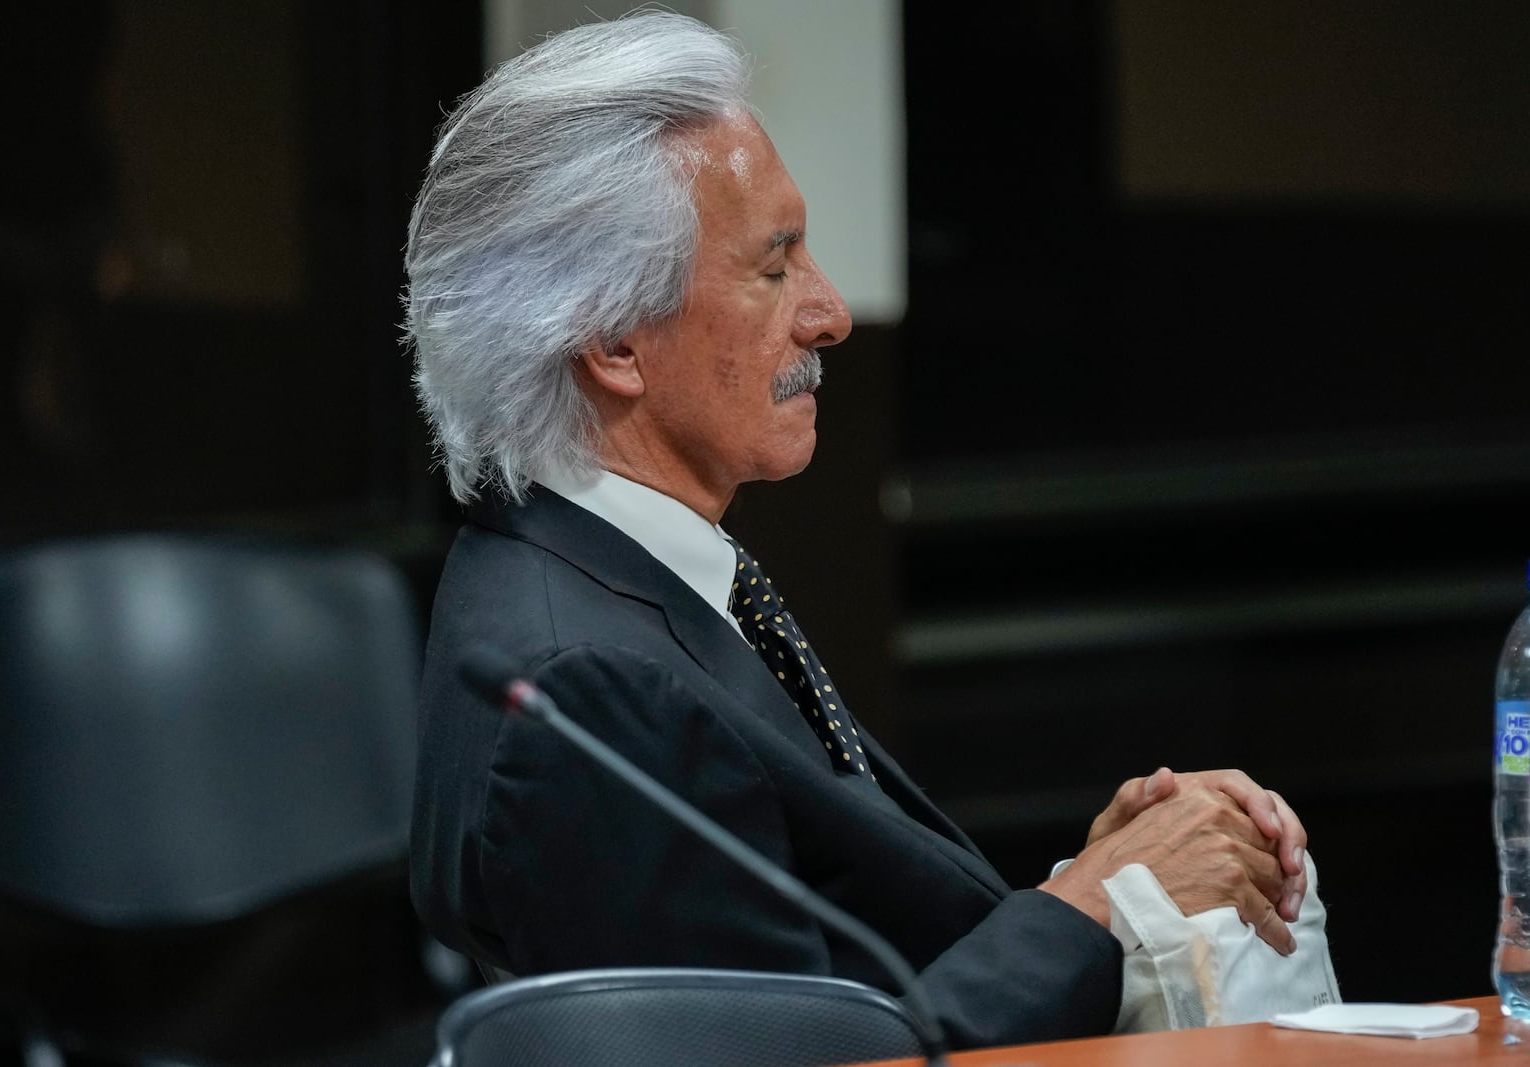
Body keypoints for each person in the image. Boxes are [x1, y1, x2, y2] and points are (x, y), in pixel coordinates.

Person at [403, 9, 1309, 1050]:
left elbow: (838, 963)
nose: (830, 312)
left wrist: (1092, 882)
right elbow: (814, 1059)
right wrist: (1100, 910)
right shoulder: (595, 688)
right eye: (775, 264)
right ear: (612, 339)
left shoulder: (593, 579)